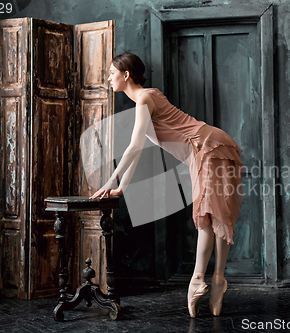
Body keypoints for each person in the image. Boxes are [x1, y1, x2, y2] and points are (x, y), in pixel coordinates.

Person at [90, 52, 244, 318]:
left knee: (208, 215)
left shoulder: (144, 99)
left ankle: (199, 279)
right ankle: (217, 280)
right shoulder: (150, 95)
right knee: (217, 214)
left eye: (112, 73)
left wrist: (109, 181)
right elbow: (139, 151)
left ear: (126, 75)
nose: (109, 79)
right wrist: (122, 188)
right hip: (212, 144)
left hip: (206, 147)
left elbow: (134, 146)